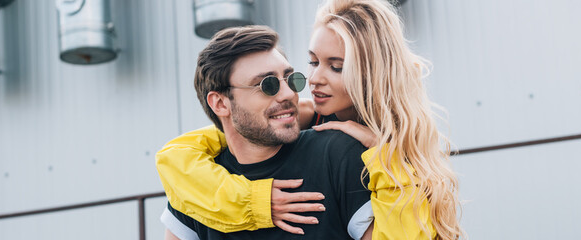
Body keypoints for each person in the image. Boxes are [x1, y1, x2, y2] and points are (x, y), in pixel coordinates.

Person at [157, 0, 464, 239]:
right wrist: (254, 201)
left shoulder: (353, 151)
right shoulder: (304, 116)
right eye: (313, 62)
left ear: (371, 76)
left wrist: (386, 155)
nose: (313, 79)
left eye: (337, 66)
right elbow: (179, 157)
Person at [160, 25, 375, 240]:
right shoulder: (196, 193)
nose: (289, 93)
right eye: (267, 85)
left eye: (291, 79)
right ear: (220, 103)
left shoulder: (337, 153)